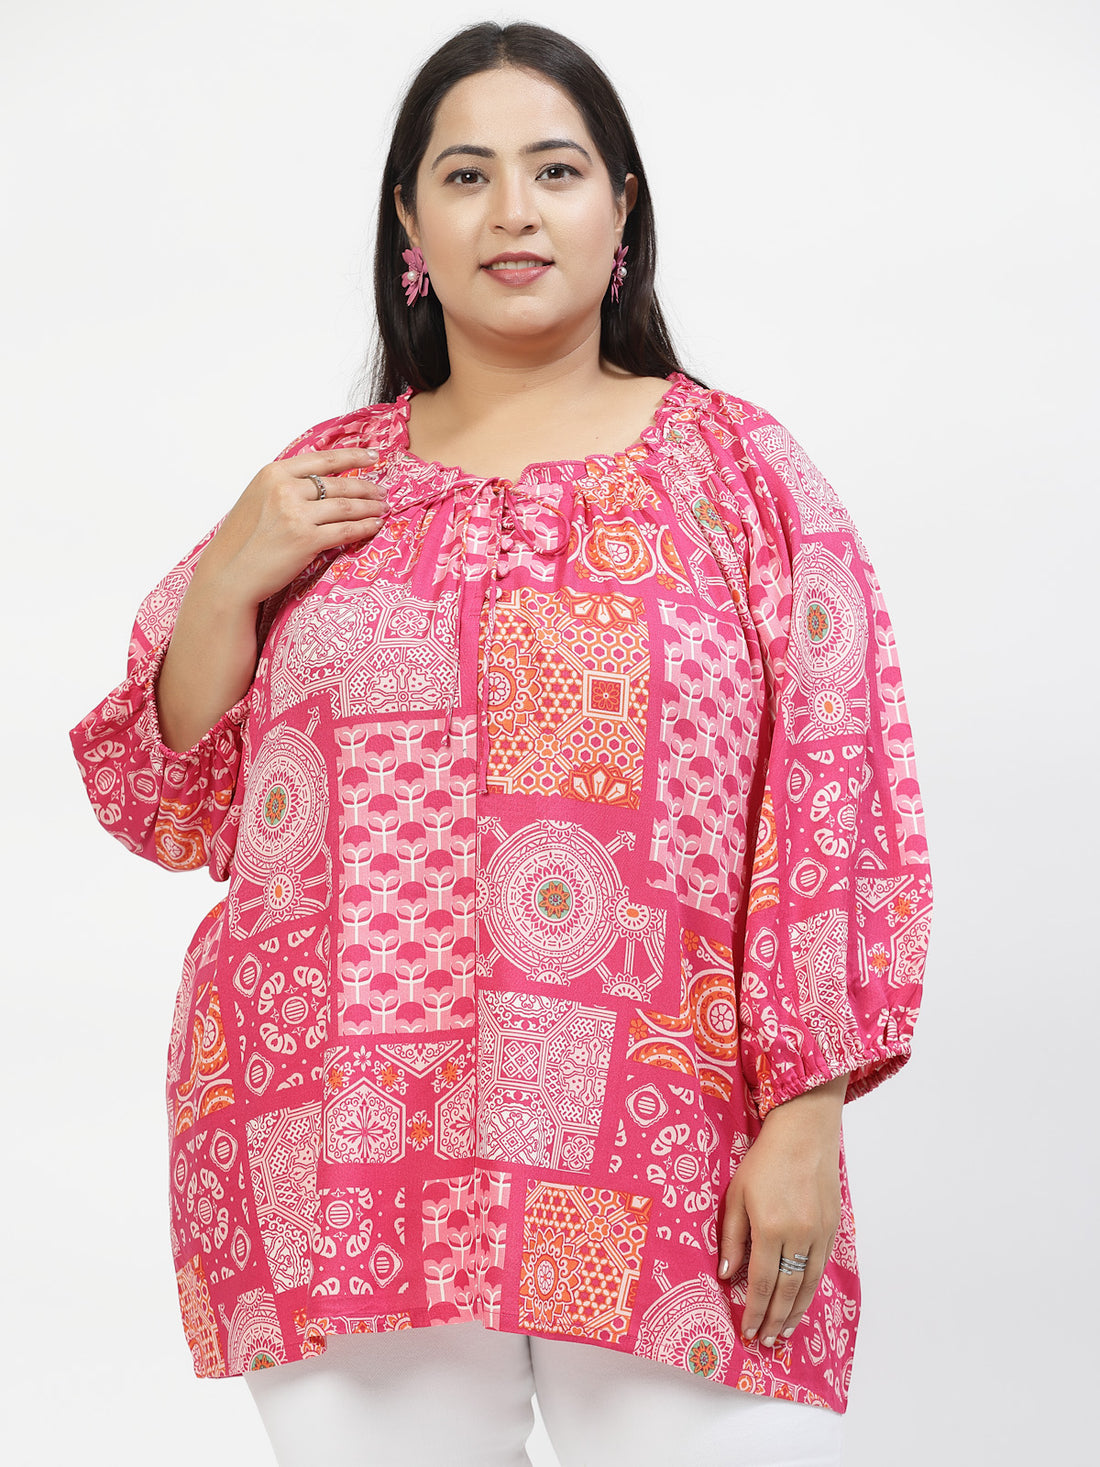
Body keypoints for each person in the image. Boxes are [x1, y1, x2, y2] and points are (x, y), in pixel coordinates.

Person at [69, 19, 933, 1467]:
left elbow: (837, 792)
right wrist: (228, 579)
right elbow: (170, 798)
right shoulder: (322, 487)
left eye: (557, 170)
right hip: (341, 1145)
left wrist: (806, 1112)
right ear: (411, 223)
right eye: (466, 176)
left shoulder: (739, 473)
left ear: (622, 208)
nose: (514, 212)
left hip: (667, 1142)